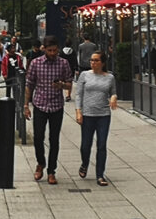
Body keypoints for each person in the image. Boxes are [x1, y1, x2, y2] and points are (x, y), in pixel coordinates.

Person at [26, 36, 74, 185]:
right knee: (38, 137)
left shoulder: (63, 63)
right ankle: (41, 163)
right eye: (50, 50)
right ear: (44, 49)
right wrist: (25, 105)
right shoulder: (36, 63)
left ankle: (51, 170)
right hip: (40, 104)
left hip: (56, 105)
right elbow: (29, 85)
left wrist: (62, 86)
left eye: (55, 50)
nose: (53, 53)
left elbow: (69, 83)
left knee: (54, 139)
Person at [75, 52, 119, 186]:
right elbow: (78, 94)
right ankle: (84, 163)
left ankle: (100, 174)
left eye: (96, 60)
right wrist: (78, 111)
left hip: (103, 115)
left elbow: (113, 92)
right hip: (88, 114)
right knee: (85, 145)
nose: (93, 63)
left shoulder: (109, 77)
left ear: (102, 63)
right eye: (91, 60)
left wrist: (113, 97)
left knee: (101, 145)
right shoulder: (84, 75)